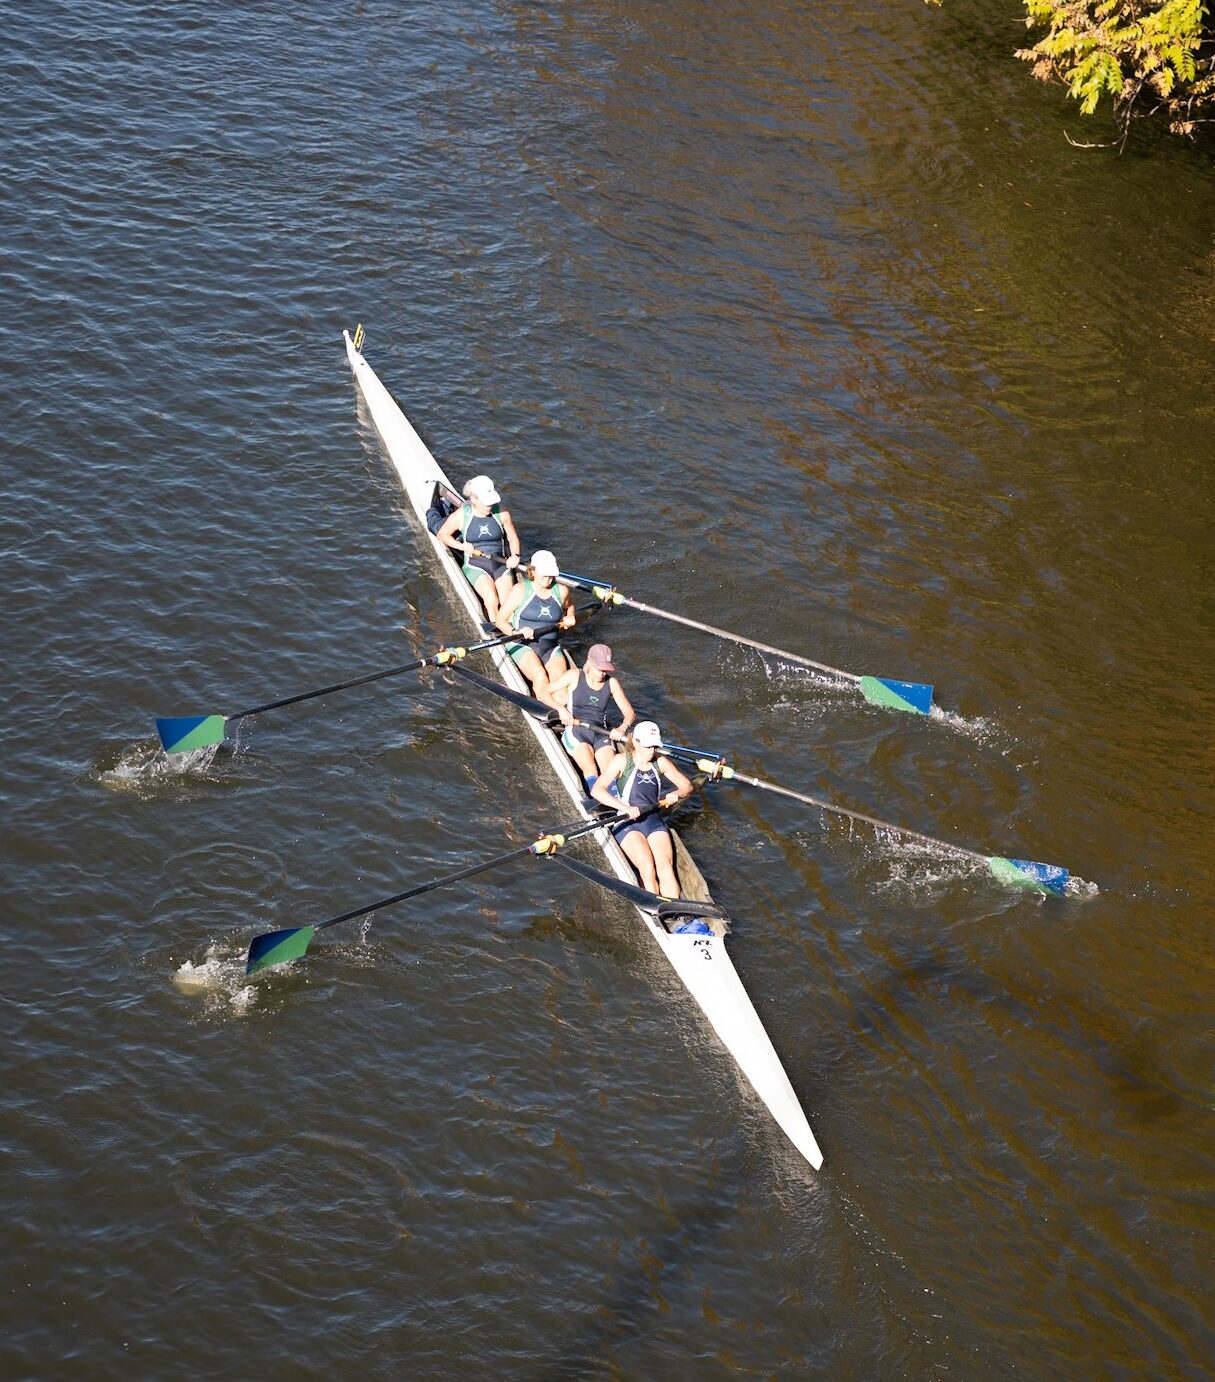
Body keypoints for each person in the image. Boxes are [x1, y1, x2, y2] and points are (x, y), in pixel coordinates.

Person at [591, 721, 694, 899]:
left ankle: (676, 911)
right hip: (627, 821)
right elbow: (597, 790)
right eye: (648, 746)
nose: (652, 751)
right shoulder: (622, 761)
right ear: (636, 742)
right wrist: (624, 807)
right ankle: (656, 909)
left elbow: (687, 786)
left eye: (655, 746)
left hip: (653, 821)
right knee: (647, 865)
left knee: (665, 865)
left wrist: (675, 794)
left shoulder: (660, 763)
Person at [435, 474, 521, 625]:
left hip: (500, 562)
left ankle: (515, 629)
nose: (490, 506)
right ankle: (498, 629)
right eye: (487, 503)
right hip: (475, 564)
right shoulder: (462, 515)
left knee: (507, 598)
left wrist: (515, 556)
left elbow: (513, 538)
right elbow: (442, 534)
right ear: (474, 499)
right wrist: (461, 546)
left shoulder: (501, 512)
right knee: (490, 596)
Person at [547, 644, 635, 788]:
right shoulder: (574, 675)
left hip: (601, 733)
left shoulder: (612, 683)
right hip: (576, 729)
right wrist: (561, 710)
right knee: (590, 768)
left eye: (606, 669)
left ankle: (614, 801)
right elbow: (544, 692)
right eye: (600, 669)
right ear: (590, 662)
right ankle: (595, 799)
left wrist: (622, 728)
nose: (603, 673)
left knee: (610, 773)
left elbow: (630, 713)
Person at [496, 549, 576, 699]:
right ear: (533, 571)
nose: (548, 578)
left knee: (561, 685)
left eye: (551, 574)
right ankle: (545, 710)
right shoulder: (520, 590)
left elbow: (569, 606)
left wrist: (570, 616)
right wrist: (514, 631)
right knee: (540, 676)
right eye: (544, 573)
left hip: (550, 646)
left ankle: (561, 715)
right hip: (522, 643)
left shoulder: (561, 591)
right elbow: (500, 620)